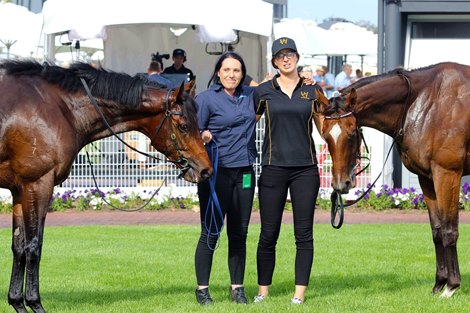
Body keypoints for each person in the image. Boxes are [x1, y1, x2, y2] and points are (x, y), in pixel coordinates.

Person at [253, 37, 322, 305]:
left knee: (303, 235)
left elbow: (326, 126)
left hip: (305, 169)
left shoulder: (311, 91)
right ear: (273, 61)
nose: (286, 59)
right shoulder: (263, 92)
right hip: (272, 168)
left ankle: (299, 295)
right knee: (268, 233)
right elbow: (245, 120)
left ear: (297, 56)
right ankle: (263, 292)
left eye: (290, 54)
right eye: (280, 55)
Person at [193, 51, 257, 305]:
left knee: (239, 233)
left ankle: (237, 289)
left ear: (243, 74)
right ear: (218, 72)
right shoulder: (206, 99)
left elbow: (276, 86)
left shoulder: (250, 96)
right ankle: (202, 290)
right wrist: (203, 136)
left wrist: (303, 77)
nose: (231, 74)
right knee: (211, 232)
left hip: (245, 173)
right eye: (227, 70)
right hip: (216, 174)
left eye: (237, 70)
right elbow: (191, 134)